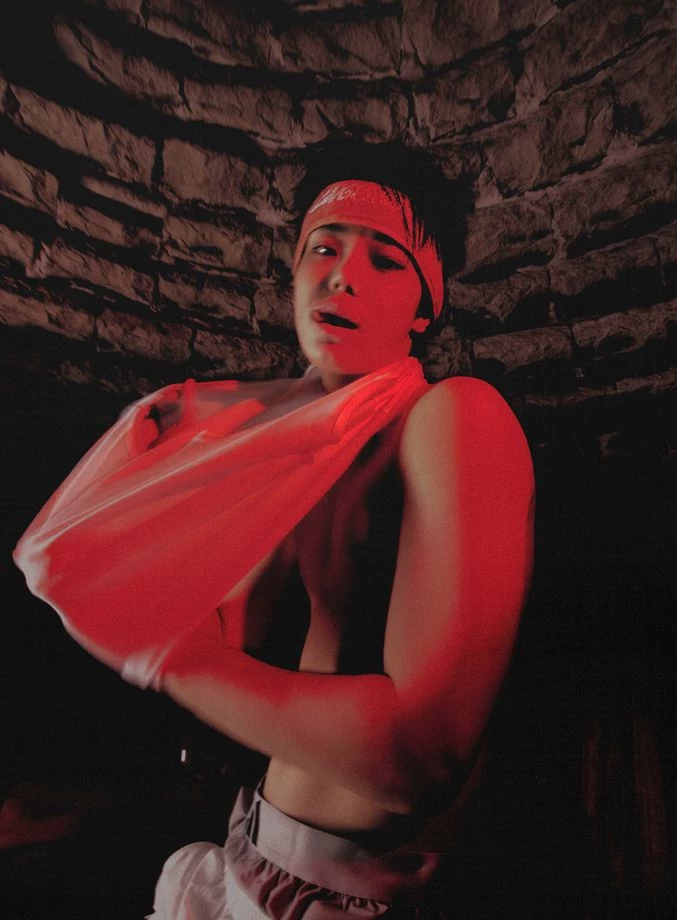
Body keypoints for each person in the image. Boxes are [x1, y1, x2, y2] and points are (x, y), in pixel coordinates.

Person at [14, 139, 535, 918]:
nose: (343, 275)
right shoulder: (301, 451)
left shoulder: (455, 416)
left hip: (344, 895)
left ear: (425, 307)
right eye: (323, 248)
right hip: (247, 850)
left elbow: (420, 760)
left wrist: (168, 657)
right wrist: (198, 427)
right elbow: (234, 641)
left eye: (385, 261)